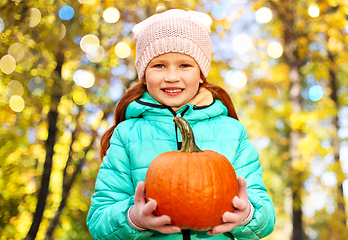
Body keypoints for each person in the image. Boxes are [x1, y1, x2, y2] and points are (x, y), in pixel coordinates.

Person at [86, 9, 275, 240]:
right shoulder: (127, 135)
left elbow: (265, 217)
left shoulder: (232, 132)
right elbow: (98, 222)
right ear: (144, 75)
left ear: (201, 73)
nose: (172, 76)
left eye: (185, 65)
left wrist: (246, 215)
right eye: (159, 66)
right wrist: (135, 218)